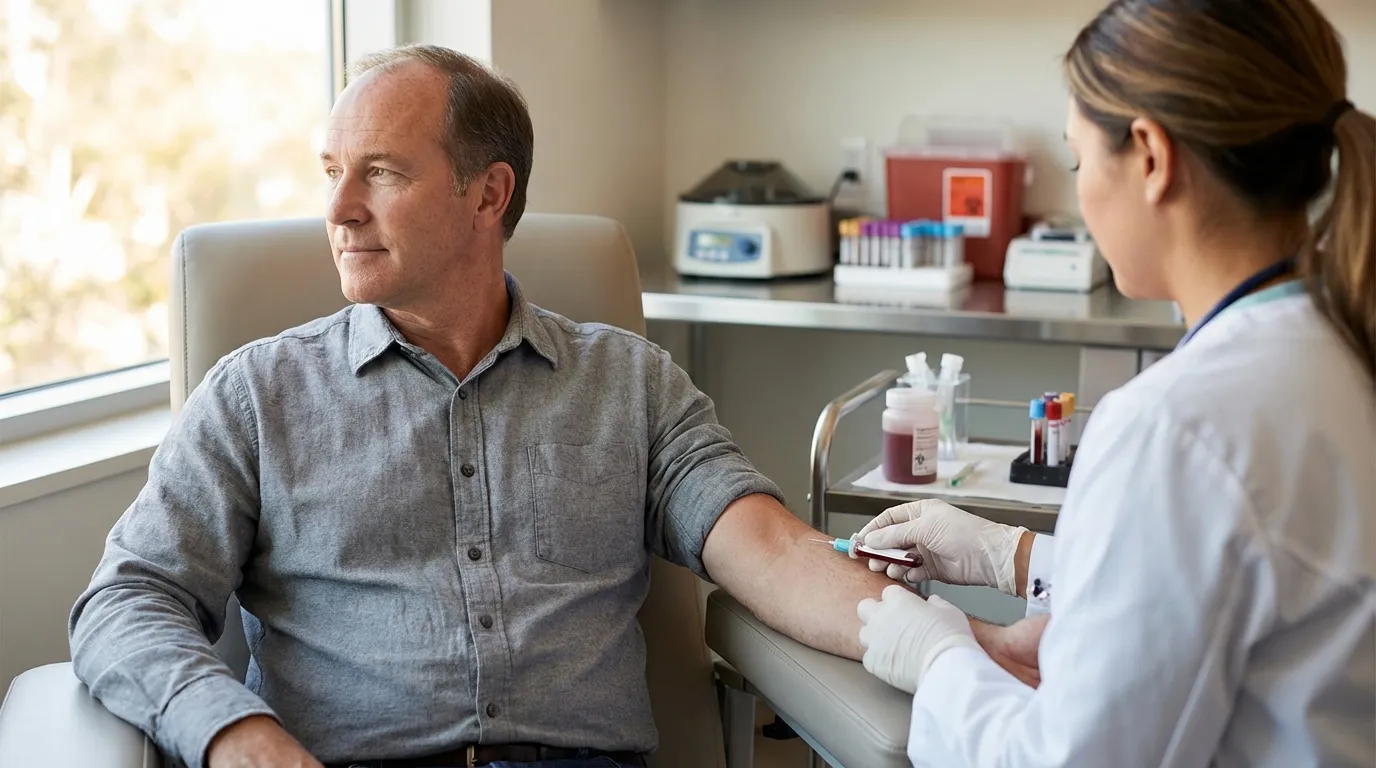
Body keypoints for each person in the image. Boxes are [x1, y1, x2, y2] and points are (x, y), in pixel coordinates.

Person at [68, 45, 1036, 768]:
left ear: (488, 196)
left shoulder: (629, 384)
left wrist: (963, 645)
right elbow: (124, 602)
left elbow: (774, 553)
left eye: (382, 173)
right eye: (332, 172)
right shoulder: (255, 398)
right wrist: (234, 731)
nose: (338, 210)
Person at [853, 0, 1376, 765]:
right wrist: (1017, 557)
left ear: (1151, 157)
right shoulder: (1338, 343)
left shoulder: (1176, 426)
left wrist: (940, 661)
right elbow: (1257, 577)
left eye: (1076, 161)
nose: (1080, 195)